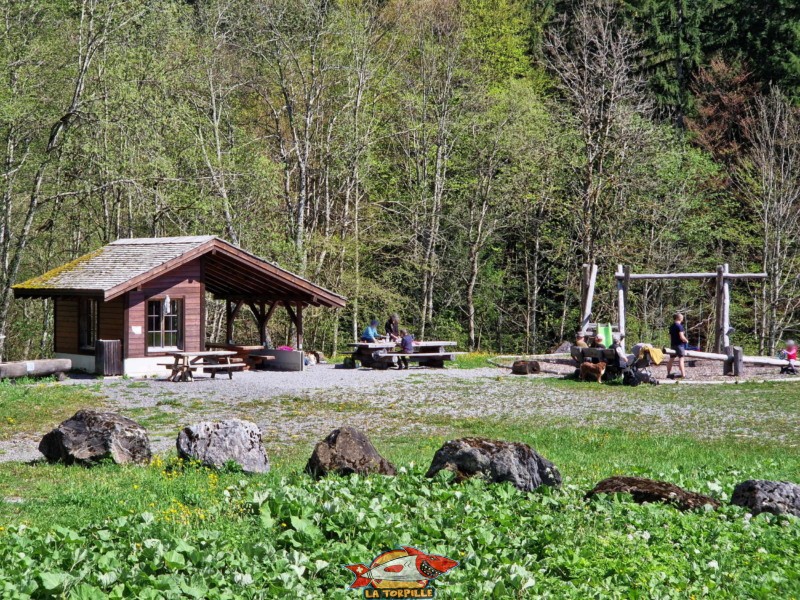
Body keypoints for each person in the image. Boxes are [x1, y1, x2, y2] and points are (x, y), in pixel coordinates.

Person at [666, 312, 688, 379]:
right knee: (681, 359)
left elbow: (669, 336)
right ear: (679, 318)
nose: (683, 318)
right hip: (679, 345)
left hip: (673, 345)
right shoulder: (679, 326)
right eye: (682, 317)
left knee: (671, 359)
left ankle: (668, 374)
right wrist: (686, 340)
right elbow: (681, 337)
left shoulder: (671, 326)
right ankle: (683, 375)